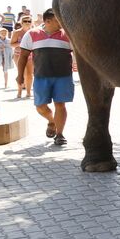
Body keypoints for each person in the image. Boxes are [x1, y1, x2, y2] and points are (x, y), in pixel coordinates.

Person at [27, 8, 75, 146]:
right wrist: (20, 75)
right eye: (58, 19)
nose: (61, 22)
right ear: (47, 21)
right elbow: (24, 55)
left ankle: (59, 134)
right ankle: (52, 120)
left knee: (60, 104)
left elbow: (77, 53)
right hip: (41, 77)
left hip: (63, 76)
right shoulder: (32, 34)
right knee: (40, 106)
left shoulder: (67, 35)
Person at [12, 14, 34, 99]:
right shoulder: (17, 32)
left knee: (29, 74)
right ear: (21, 23)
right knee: (21, 73)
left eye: (29, 21)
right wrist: (21, 43)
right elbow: (11, 44)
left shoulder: (34, 32)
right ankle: (19, 92)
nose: (27, 23)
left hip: (31, 55)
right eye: (25, 21)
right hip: (19, 54)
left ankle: (28, 92)